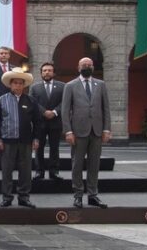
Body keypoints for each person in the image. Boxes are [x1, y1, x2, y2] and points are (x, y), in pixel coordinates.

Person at [63, 57, 112, 209]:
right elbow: (65, 111)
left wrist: (106, 129)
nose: (87, 66)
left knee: (94, 164)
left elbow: (106, 109)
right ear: (78, 67)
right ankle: (78, 195)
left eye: (89, 65)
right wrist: (68, 131)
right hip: (78, 132)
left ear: (93, 67)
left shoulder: (101, 84)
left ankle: (93, 195)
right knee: (77, 165)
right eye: (84, 65)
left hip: (96, 131)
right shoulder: (70, 86)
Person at [0, 67, 42, 208]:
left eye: (21, 83)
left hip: (26, 142)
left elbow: (38, 122)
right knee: (7, 171)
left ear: (24, 85)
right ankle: (7, 197)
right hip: (7, 142)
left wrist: (36, 139)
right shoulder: (1, 100)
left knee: (25, 171)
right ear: (10, 84)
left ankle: (24, 197)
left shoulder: (31, 101)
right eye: (15, 83)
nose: (18, 86)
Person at [29, 62, 65, 180]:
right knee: (39, 148)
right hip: (40, 122)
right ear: (41, 73)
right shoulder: (34, 87)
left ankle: (54, 172)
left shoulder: (62, 86)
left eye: (49, 70)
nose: (47, 72)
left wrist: (54, 112)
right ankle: (39, 172)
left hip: (56, 121)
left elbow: (64, 102)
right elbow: (33, 102)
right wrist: (44, 112)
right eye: (44, 70)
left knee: (55, 147)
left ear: (53, 72)